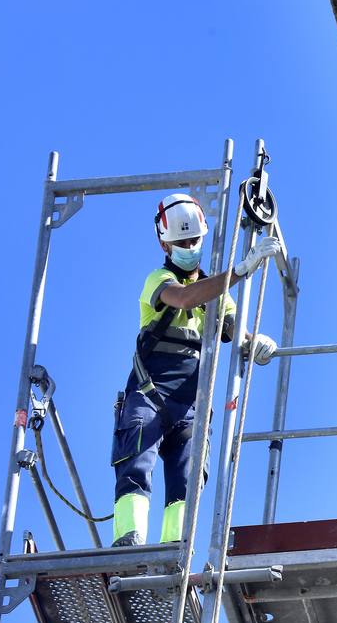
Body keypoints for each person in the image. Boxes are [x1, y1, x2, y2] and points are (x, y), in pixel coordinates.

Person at [110, 193, 282, 547]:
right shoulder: (158, 279)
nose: (189, 247)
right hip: (150, 393)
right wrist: (239, 271)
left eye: (194, 240)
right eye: (181, 241)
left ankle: (175, 550)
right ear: (164, 243)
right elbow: (186, 298)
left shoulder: (219, 294)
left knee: (185, 479)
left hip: (191, 404)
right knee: (137, 463)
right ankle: (129, 541)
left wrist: (254, 341)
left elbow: (234, 329)